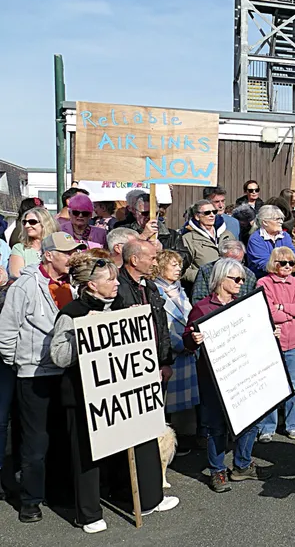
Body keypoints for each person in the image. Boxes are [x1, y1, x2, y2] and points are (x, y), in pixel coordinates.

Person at [49, 253, 178, 532]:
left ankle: (147, 498)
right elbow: (58, 356)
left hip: (123, 393)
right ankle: (89, 514)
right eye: (110, 279)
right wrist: (85, 332)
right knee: (88, 455)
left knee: (135, 441)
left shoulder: (121, 304)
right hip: (84, 397)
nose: (117, 283)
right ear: (92, 285)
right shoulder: (72, 312)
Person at [0, 232, 85, 522]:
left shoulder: (73, 285)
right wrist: (20, 363)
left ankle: (58, 492)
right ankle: (30, 500)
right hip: (33, 373)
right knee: (35, 441)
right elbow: (7, 331)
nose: (72, 257)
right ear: (49, 255)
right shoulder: (24, 286)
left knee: (61, 436)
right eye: (67, 252)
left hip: (66, 370)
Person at [185, 258, 275, 493]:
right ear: (220, 279)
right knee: (216, 426)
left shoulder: (244, 306)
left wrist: (269, 333)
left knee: (251, 419)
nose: (241, 283)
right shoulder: (202, 307)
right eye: (236, 279)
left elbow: (254, 335)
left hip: (244, 373)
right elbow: (187, 340)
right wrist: (193, 339)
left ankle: (242, 465)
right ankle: (217, 470)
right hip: (214, 378)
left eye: (242, 279)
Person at [256, 246, 295, 442]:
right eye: (283, 262)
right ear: (274, 263)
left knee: (293, 384)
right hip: (272, 340)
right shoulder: (263, 283)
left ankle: (291, 425)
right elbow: (268, 312)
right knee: (271, 383)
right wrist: (289, 314)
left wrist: (281, 307)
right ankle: (267, 426)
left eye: (291, 263)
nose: (288, 266)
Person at [152, 250, 200, 448]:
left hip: (188, 350)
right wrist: (182, 344)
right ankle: (169, 443)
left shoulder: (180, 289)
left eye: (179, 265)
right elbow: (162, 325)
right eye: (173, 265)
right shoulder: (155, 291)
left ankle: (186, 437)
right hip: (172, 353)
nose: (179, 268)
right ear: (161, 267)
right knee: (169, 402)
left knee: (186, 402)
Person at [112, 239, 175, 380]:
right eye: (152, 258)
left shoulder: (151, 287)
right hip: (128, 368)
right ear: (134, 260)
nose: (155, 263)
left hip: (153, 364)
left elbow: (161, 326)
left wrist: (165, 362)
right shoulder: (116, 289)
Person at [115, 190, 191, 269]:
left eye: (155, 213)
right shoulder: (124, 231)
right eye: (145, 213)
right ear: (135, 212)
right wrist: (142, 237)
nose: (150, 217)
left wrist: (163, 251)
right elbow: (119, 257)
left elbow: (186, 260)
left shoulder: (171, 235)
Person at [181, 199, 238, 288]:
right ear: (197, 216)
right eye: (207, 213)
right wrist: (204, 277)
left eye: (214, 212)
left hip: (229, 286)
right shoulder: (188, 239)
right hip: (203, 287)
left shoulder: (228, 235)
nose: (212, 215)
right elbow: (182, 269)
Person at [190, 239, 256, 304]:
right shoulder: (206, 270)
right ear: (221, 256)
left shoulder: (249, 276)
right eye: (229, 261)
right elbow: (198, 299)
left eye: (239, 261)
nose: (234, 264)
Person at [246, 205, 295, 279]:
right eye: (277, 219)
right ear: (265, 222)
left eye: (281, 219)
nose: (281, 222)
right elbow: (265, 264)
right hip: (263, 279)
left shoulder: (285, 236)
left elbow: (294, 258)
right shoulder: (255, 239)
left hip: (285, 277)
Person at [8, 206, 58, 280]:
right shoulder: (19, 248)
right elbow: (16, 275)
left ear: (45, 224)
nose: (27, 225)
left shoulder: (58, 247)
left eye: (32, 222)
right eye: (24, 222)